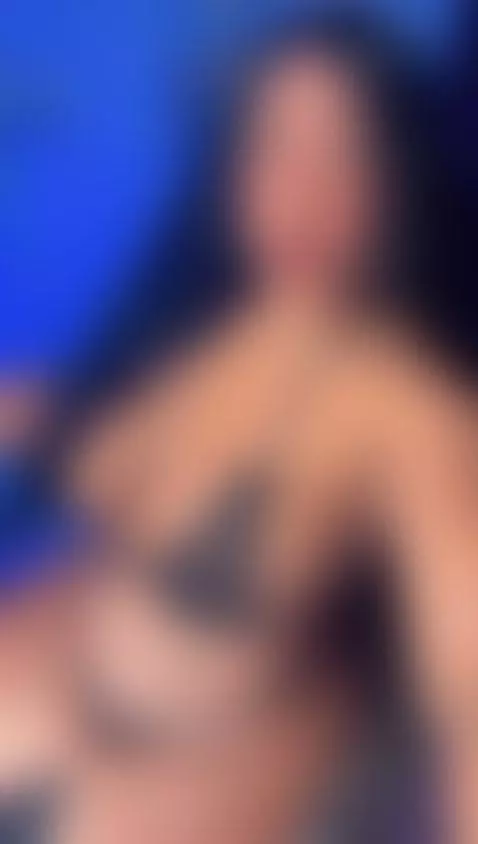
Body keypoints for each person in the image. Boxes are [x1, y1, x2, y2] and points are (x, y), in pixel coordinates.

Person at [0, 15, 476, 843]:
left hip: (177, 783)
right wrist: (43, 421)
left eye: (343, 152)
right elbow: (112, 473)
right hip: (57, 709)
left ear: (395, 180)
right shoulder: (209, 346)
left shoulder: (406, 405)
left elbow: (464, 672)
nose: (303, 192)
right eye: (273, 148)